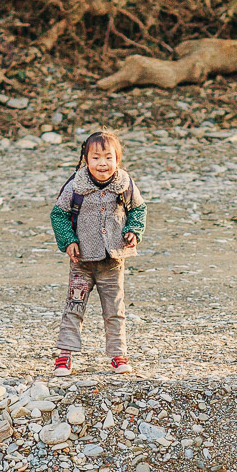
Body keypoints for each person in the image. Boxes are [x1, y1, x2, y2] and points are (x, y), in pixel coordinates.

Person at [49, 129, 146, 376]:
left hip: (113, 260)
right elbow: (59, 214)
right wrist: (68, 241)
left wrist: (134, 230)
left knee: (115, 310)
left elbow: (138, 209)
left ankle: (118, 354)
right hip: (81, 261)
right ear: (86, 160)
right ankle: (65, 354)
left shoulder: (124, 184)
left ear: (117, 159)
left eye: (108, 157)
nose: (102, 163)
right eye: (95, 157)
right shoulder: (75, 185)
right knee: (74, 307)